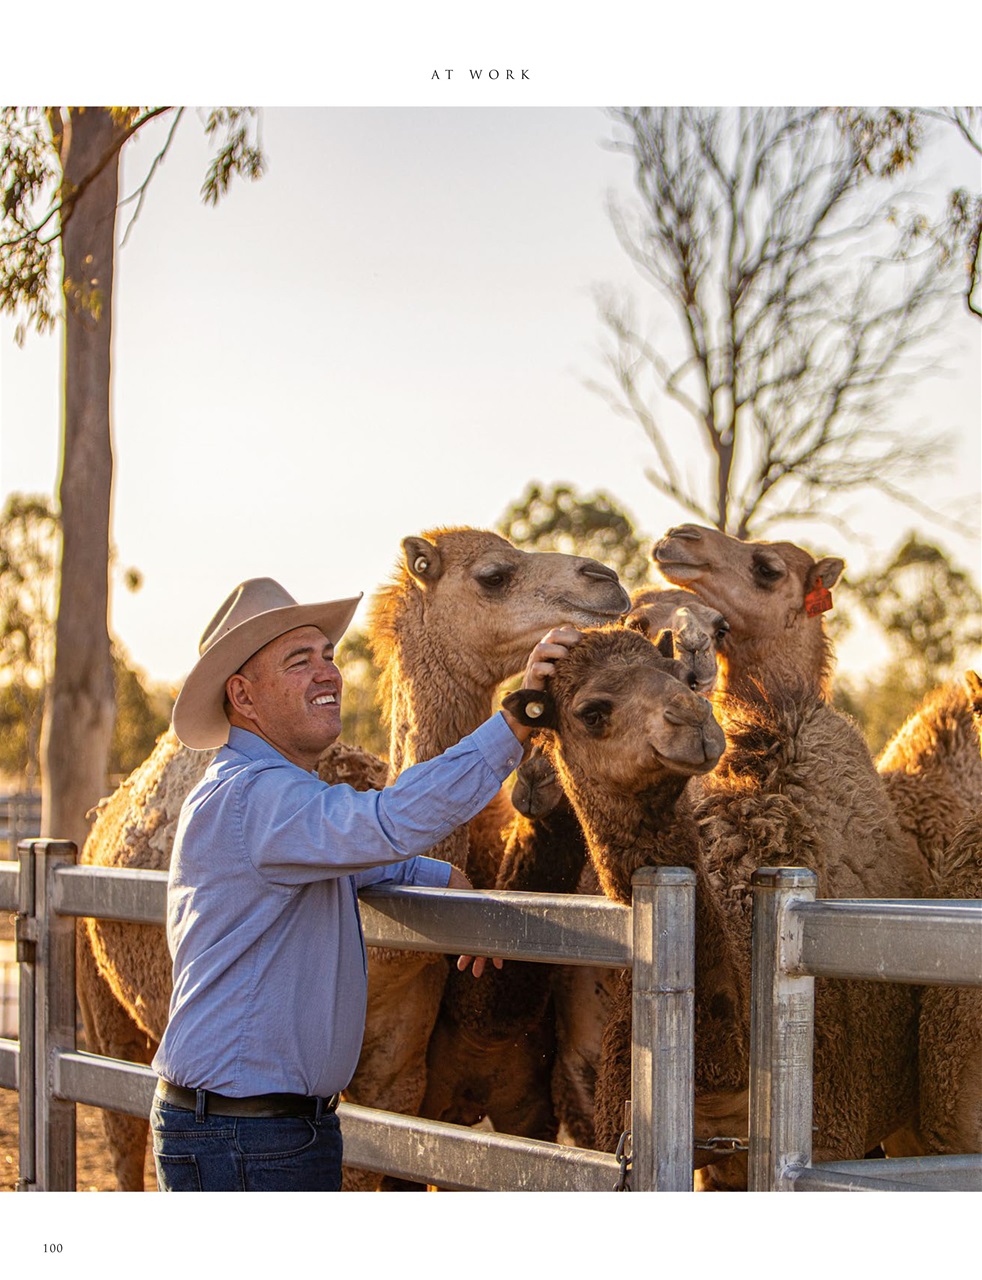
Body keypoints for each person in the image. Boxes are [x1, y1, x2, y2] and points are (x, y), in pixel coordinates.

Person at [150, 576, 579, 1192]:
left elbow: (367, 859)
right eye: (299, 661)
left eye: (327, 655)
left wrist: (445, 879)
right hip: (244, 1138)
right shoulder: (255, 798)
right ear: (242, 695)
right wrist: (516, 719)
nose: (328, 672)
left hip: (265, 1130)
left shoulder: (276, 801)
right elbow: (388, 823)